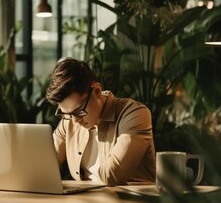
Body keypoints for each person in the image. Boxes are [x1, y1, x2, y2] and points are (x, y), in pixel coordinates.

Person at [45, 57, 156, 186]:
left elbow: (112, 176)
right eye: (67, 113)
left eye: (79, 110)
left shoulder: (134, 114)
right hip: (87, 202)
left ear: (97, 91)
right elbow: (47, 167)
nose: (74, 121)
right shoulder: (69, 121)